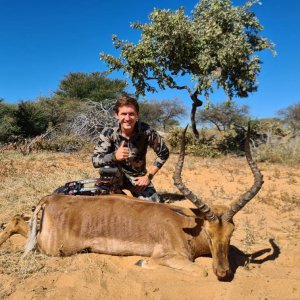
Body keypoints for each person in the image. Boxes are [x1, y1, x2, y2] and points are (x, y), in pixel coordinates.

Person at [92, 95, 169, 202]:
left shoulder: (147, 131)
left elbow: (164, 153)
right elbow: (95, 160)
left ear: (137, 115)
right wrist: (114, 156)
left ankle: (126, 198)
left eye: (131, 114)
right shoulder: (108, 133)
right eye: (123, 114)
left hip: (138, 178)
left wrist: (148, 176)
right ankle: (117, 195)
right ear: (116, 115)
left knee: (153, 204)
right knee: (106, 173)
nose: (127, 118)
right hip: (114, 177)